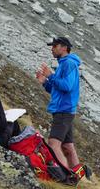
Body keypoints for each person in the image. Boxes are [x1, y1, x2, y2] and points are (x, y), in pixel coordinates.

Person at [37, 36, 88, 180]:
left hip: (63, 111)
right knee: (67, 146)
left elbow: (67, 86)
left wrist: (50, 76)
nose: (51, 49)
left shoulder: (69, 64)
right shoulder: (63, 64)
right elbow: (57, 90)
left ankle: (64, 178)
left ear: (64, 47)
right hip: (64, 110)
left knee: (53, 144)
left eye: (54, 46)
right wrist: (45, 82)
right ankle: (78, 178)